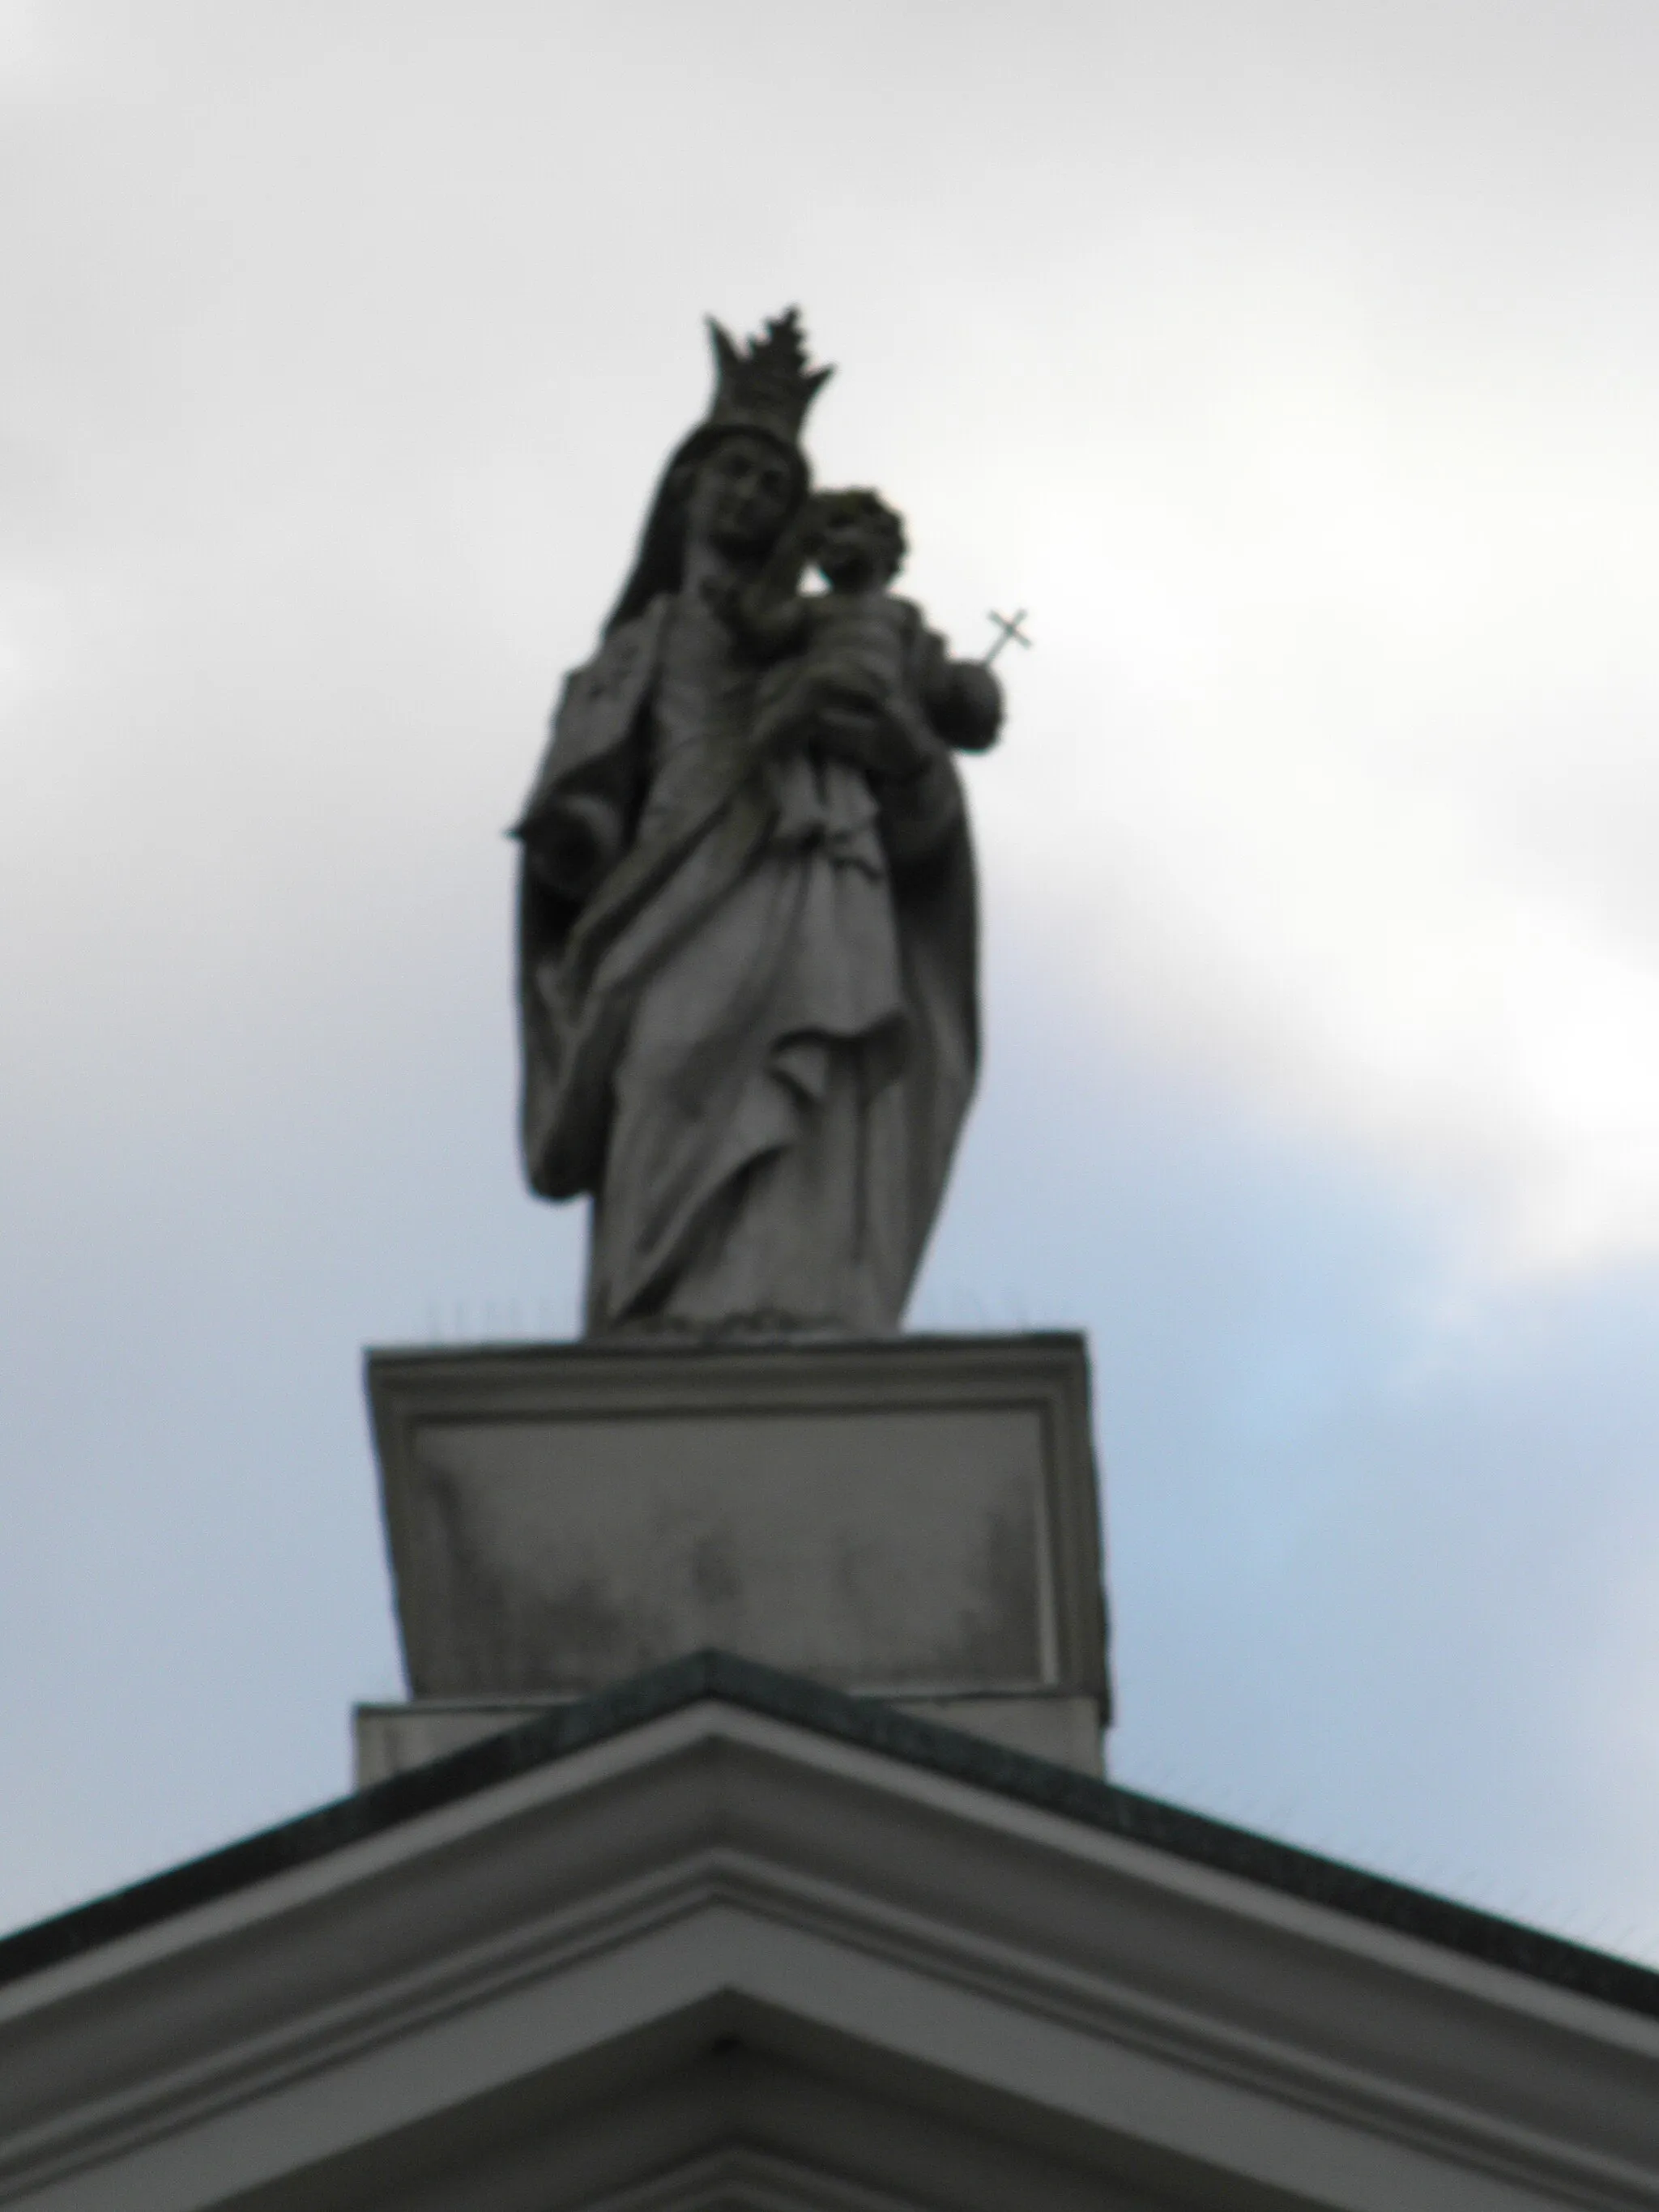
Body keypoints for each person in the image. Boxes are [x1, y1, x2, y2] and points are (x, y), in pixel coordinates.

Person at [512, 311, 1000, 1334]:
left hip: (813, 874)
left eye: (774, 485)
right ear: (685, 491)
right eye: (732, 473)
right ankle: (654, 1303)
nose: (751, 495)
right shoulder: (634, 649)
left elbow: (924, 813)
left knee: (818, 1061)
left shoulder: (825, 633)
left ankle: (793, 1296)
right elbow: (584, 806)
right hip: (668, 895)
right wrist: (574, 844)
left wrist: (901, 752)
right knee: (668, 1058)